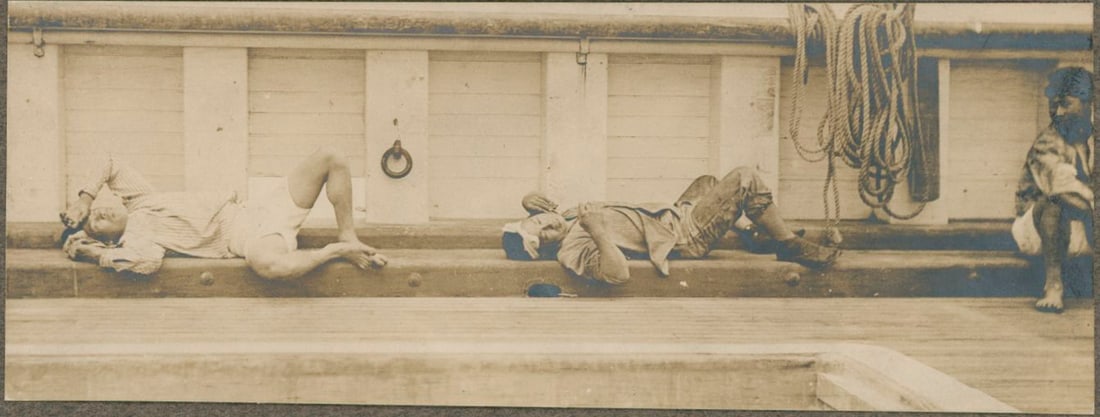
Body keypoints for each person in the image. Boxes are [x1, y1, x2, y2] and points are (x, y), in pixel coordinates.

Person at [60, 148, 387, 280]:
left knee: (330, 158)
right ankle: (336, 250)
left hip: (258, 207)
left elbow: (110, 162)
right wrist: (94, 254)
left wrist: (85, 201)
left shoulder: (140, 199)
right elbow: (147, 264)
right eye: (96, 223)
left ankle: (348, 235)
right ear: (109, 240)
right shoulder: (136, 241)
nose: (100, 213)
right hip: (246, 237)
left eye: (99, 209)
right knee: (270, 266)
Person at [501, 166, 841, 284]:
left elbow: (543, 210)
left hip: (671, 217)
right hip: (684, 236)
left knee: (706, 181)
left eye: (537, 220)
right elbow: (617, 275)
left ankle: (752, 234)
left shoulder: (568, 217)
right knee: (744, 179)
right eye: (543, 232)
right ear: (547, 248)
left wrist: (531, 198)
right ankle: (785, 243)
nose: (546, 222)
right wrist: (598, 231)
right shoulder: (572, 247)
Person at [1013, 66, 1094, 313]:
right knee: (1054, 203)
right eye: (1053, 105)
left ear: (1089, 103)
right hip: (1039, 231)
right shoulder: (1048, 142)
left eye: (1066, 104)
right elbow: (1062, 190)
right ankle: (1054, 284)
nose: (1057, 112)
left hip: (1083, 229)